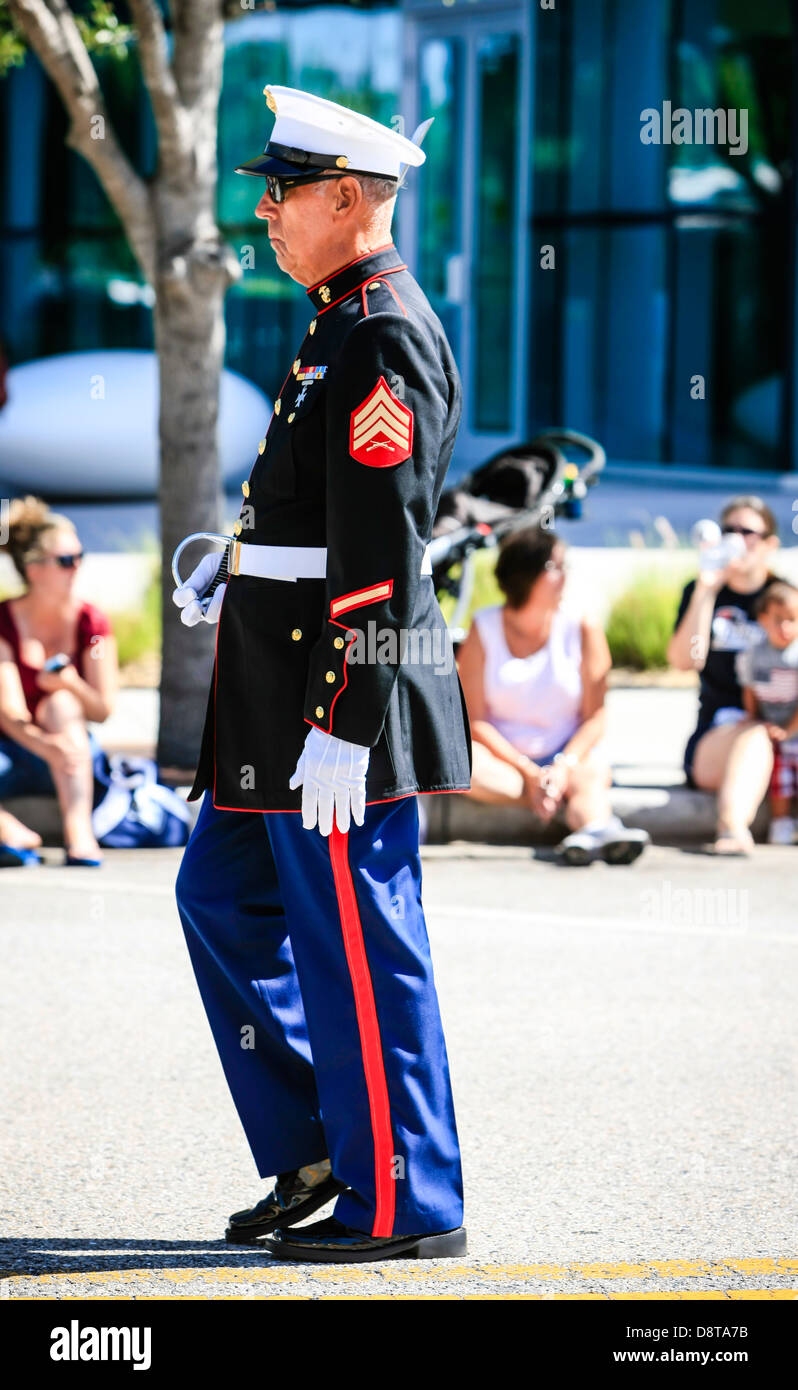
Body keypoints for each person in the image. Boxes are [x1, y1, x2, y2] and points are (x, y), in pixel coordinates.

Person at [172, 87, 472, 1263]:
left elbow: (385, 555)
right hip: (275, 693)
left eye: (283, 191)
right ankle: (319, 1146)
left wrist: (347, 721)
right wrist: (238, 572)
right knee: (220, 899)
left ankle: (405, 1198)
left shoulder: (383, 330)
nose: (265, 210)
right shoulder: (334, 321)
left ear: (348, 199)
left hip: (334, 707)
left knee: (359, 945)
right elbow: (315, 520)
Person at [457, 525, 650, 865]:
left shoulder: (583, 627)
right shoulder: (483, 627)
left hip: (569, 755)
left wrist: (562, 766)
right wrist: (531, 773)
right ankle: (589, 823)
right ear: (527, 574)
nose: (566, 576)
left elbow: (596, 718)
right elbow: (476, 721)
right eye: (556, 567)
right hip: (505, 763)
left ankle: (594, 825)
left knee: (590, 772)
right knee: (463, 766)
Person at [0, 496, 117, 867]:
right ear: (34, 568)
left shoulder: (92, 624)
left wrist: (69, 684)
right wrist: (47, 748)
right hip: (16, 749)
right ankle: (11, 832)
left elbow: (102, 710)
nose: (77, 568)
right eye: (66, 560)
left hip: (74, 755)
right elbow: (9, 712)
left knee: (62, 705)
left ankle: (78, 832)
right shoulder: (4, 621)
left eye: (80, 557)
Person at [667, 495, 781, 854]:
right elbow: (685, 661)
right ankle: (731, 828)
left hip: (783, 728)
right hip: (719, 735)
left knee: (760, 734)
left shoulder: (784, 599)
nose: (736, 539)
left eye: (747, 532)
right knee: (753, 737)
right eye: (727, 530)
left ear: (769, 545)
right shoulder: (703, 590)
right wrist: (706, 590)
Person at [736, 580, 798, 845]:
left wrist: (789, 730)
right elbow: (749, 690)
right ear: (762, 620)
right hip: (771, 728)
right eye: (778, 620)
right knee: (780, 776)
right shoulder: (753, 656)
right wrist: (754, 720)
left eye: (792, 619)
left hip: (793, 728)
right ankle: (781, 822)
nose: (785, 627)